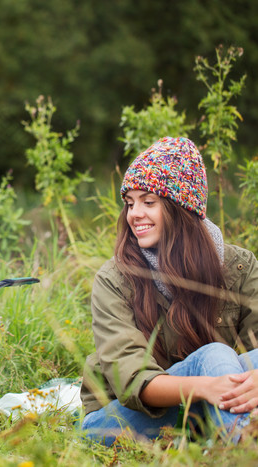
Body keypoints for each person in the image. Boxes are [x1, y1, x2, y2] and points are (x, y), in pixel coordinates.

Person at [81, 136, 258, 446]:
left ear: (182, 208)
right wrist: (204, 386)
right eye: (130, 203)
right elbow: (133, 381)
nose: (134, 214)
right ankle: (245, 451)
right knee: (216, 355)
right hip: (120, 419)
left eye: (148, 202)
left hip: (209, 404)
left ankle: (230, 439)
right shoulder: (114, 278)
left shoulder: (239, 265)